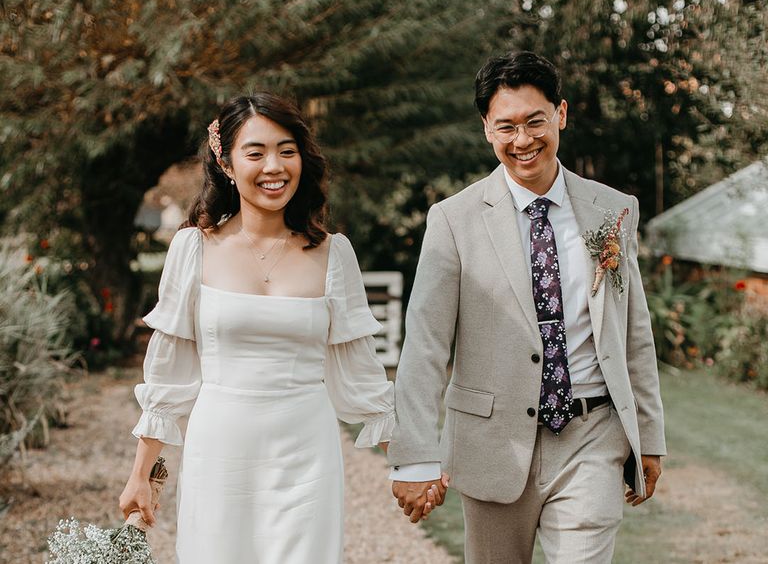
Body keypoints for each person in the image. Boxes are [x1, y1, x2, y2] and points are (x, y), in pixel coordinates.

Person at [387, 51, 666, 563]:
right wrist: (413, 457)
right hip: (492, 443)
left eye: (535, 121)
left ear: (560, 114)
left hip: (593, 435)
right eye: (506, 126)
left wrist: (648, 435)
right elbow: (425, 345)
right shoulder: (453, 221)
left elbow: (634, 331)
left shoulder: (613, 210)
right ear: (486, 129)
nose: (523, 140)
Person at [119, 93, 400, 563]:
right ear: (227, 163)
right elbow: (169, 378)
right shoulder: (193, 249)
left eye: (286, 150)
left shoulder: (334, 254)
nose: (274, 166)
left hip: (307, 455)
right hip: (220, 450)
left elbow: (363, 379)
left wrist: (411, 463)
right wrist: (141, 476)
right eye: (256, 153)